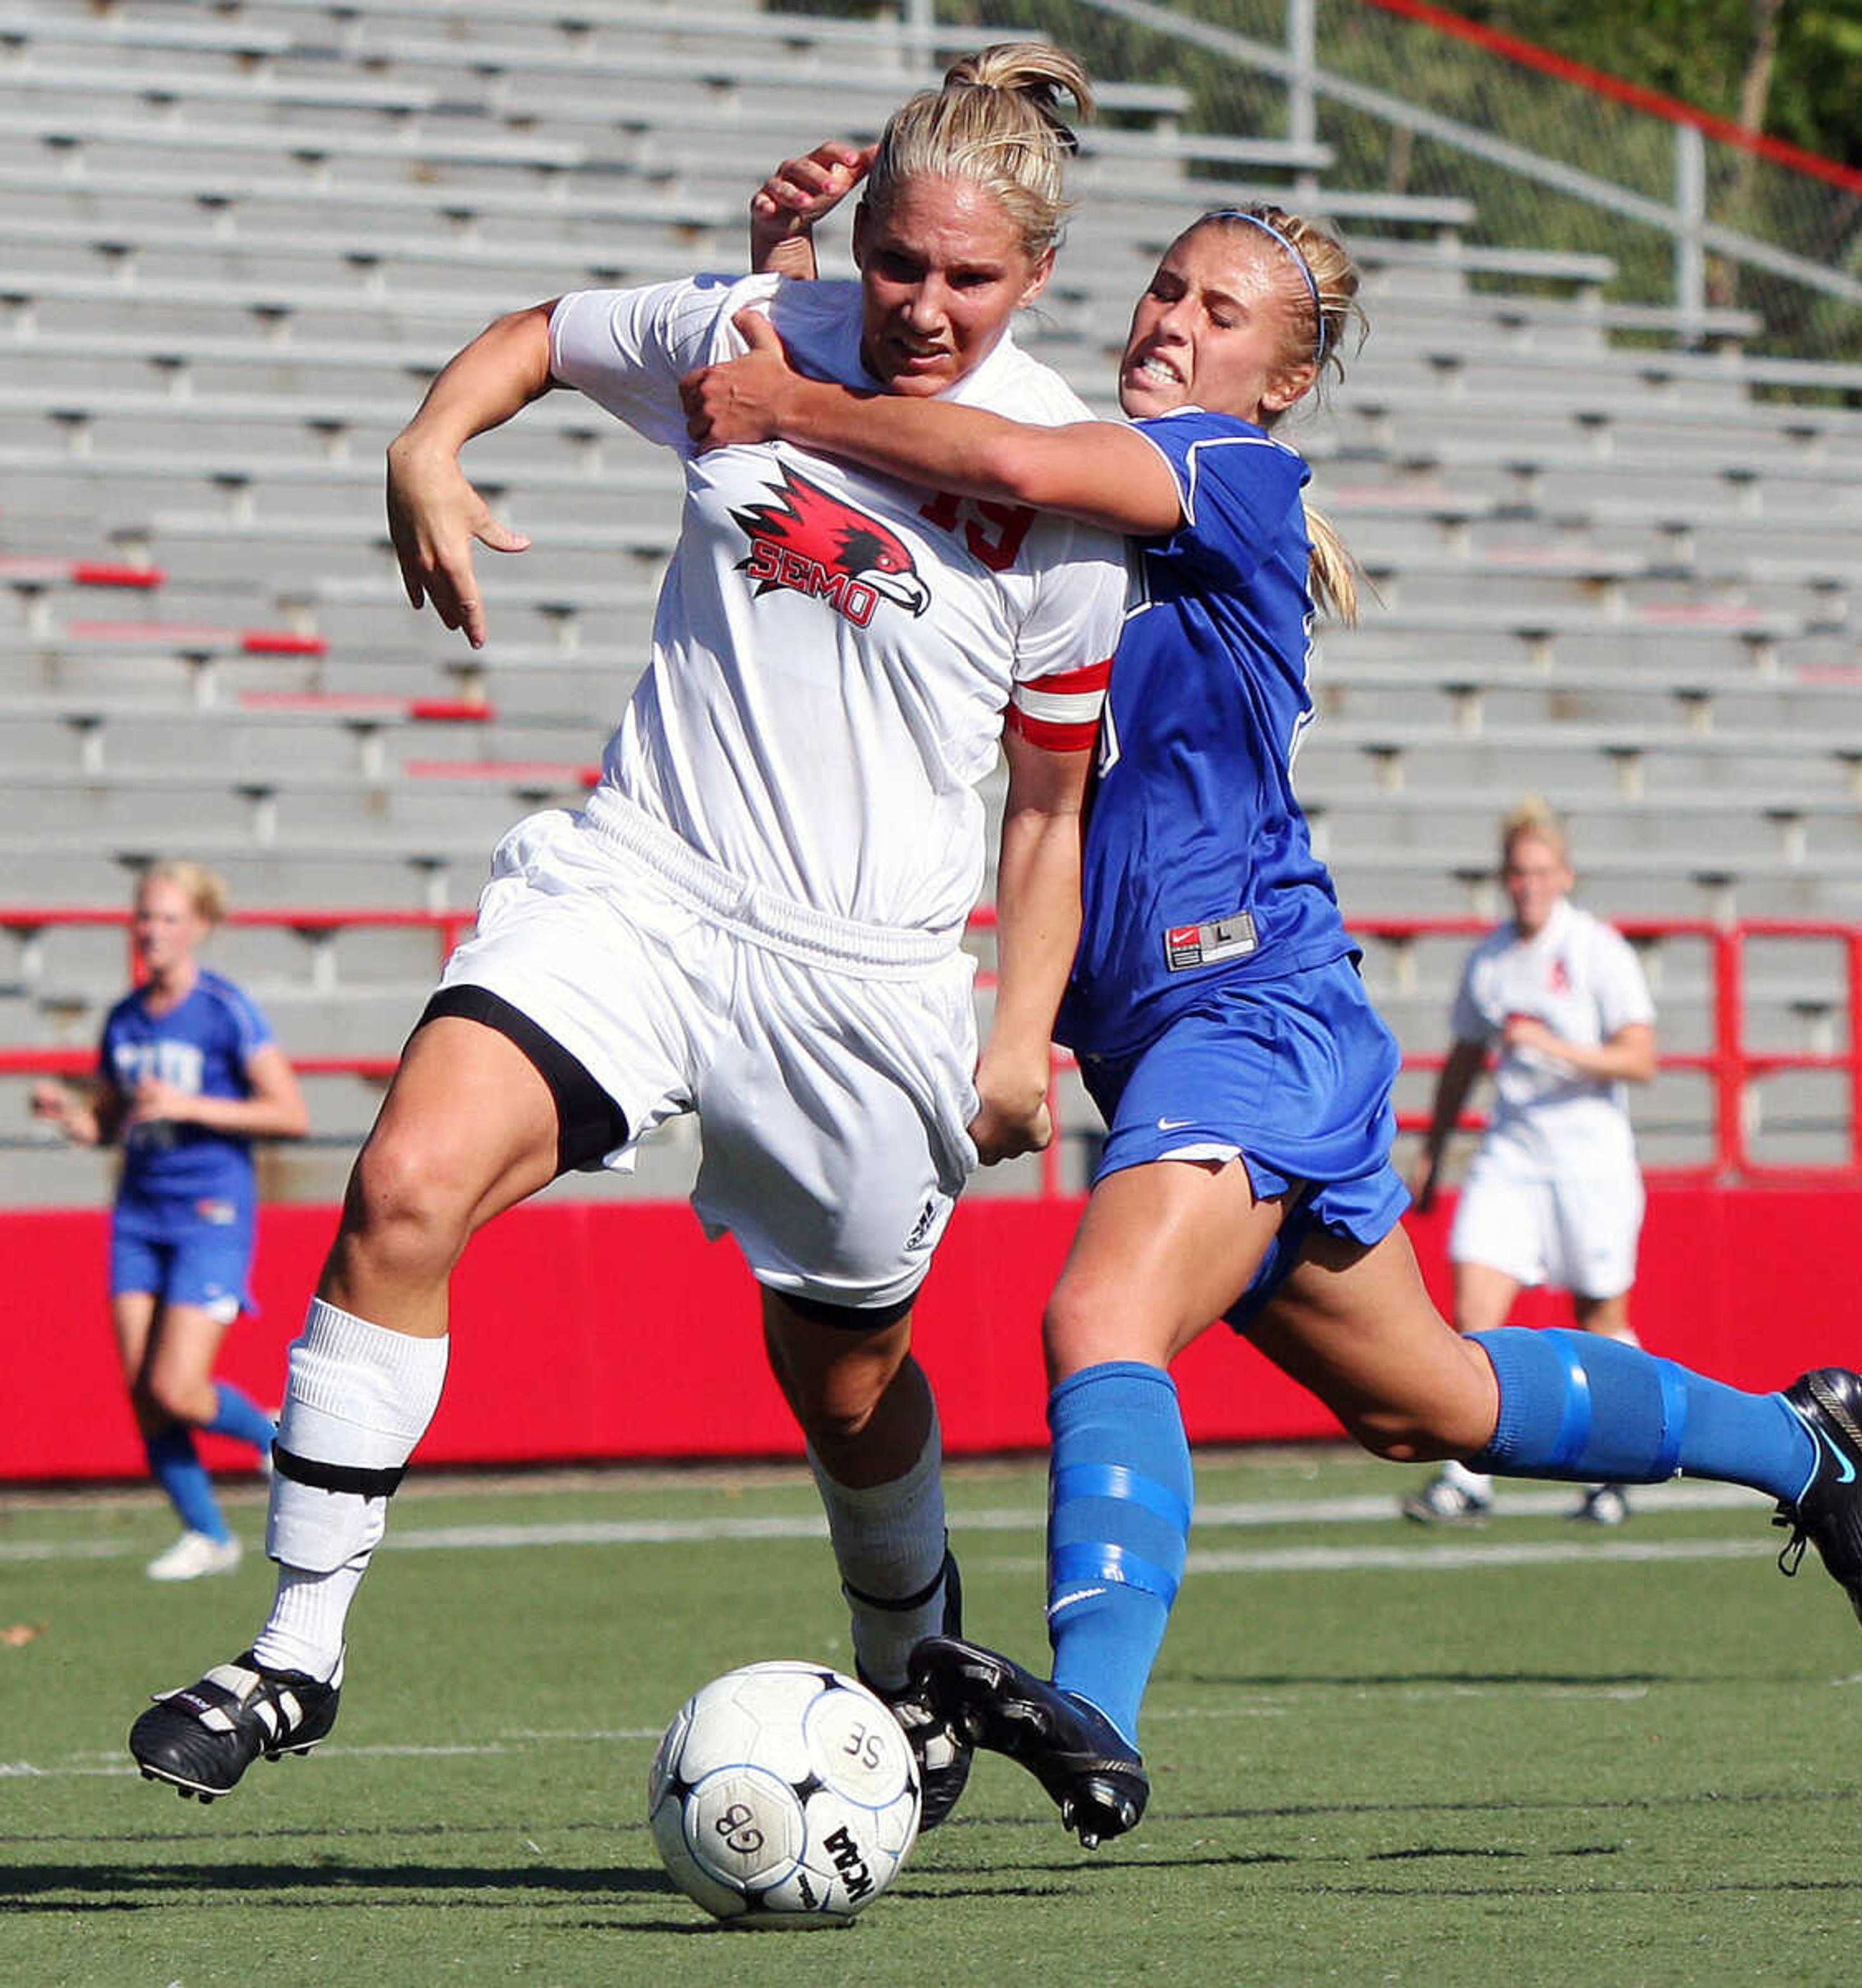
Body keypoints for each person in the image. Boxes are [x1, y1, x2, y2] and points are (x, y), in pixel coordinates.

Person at [683, 183, 1862, 1850]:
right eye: (1166, 290)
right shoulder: (1070, 485)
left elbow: (1006, 460)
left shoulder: (1233, 475)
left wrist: (784, 396)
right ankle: (1804, 1443)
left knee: (1096, 1318)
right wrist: (787, 286)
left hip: (1251, 1002)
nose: (1170, 324)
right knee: (1439, 1403)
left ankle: (1098, 1718)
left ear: (1281, 381)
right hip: (1182, 1039)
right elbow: (882, 458)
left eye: (1220, 315)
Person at [126, 45, 1129, 1829]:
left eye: (970, 279)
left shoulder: (1061, 486)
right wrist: (428, 441)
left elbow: (1047, 812)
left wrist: (1017, 1029)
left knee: (845, 1375)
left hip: (868, 976)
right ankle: (291, 1647)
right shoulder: (756, 327)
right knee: (405, 1184)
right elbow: (542, 331)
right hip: (643, 884)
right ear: (866, 234)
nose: (921, 303)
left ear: (1038, 277)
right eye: (898, 261)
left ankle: (913, 1646)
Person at [31, 862, 308, 1580]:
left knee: (178, 1388)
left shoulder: (226, 1009)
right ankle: (207, 1534)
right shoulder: (125, 1017)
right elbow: (110, 1122)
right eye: (144, 917)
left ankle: (277, 1440)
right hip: (139, 1212)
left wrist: (190, 1107)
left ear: (200, 927)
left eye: (168, 918)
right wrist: (72, 1114)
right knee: (142, 1391)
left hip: (209, 1210)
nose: (152, 931)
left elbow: (290, 1112)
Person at [1401, 801, 1660, 1527]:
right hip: (1512, 1152)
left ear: (1565, 875)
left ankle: (1616, 1468)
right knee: (1476, 1309)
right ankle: (1468, 1476)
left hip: (1589, 1156)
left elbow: (1640, 1057)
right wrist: (1433, 1146)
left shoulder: (1598, 950)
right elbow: (1462, 1060)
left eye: (1541, 871)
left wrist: (1555, 1046)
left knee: (1601, 1318)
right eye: (1517, 872)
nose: (1528, 885)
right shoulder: (1489, 960)